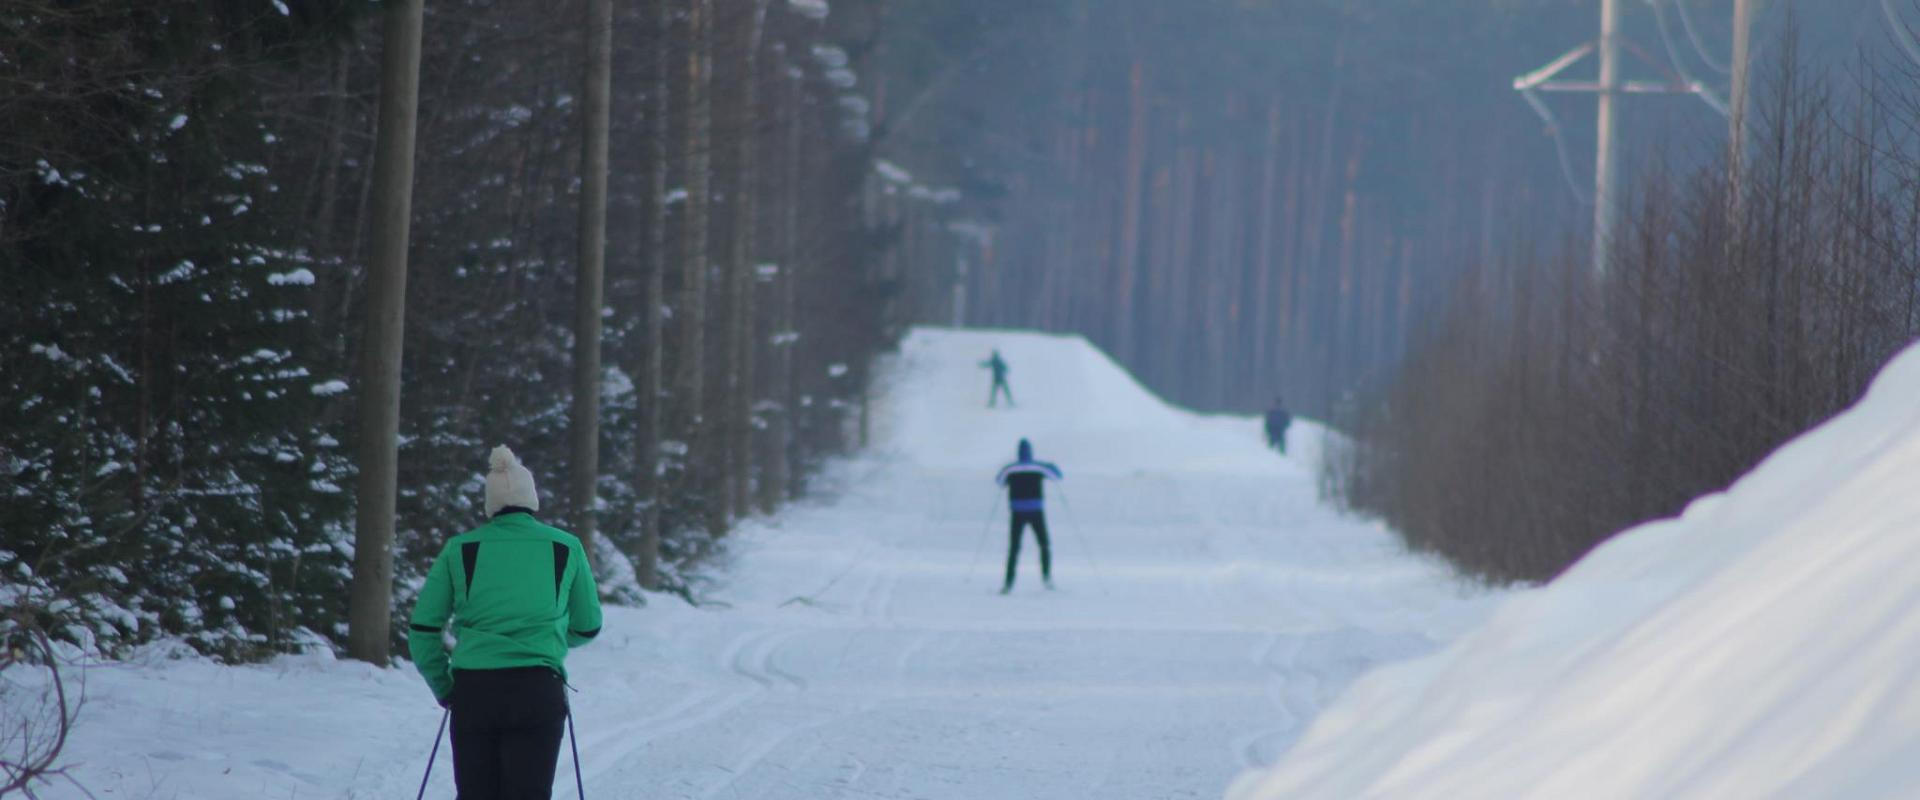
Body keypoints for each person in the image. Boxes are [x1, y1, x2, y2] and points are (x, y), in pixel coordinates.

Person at [409, 445, 602, 800]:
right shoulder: (565, 547)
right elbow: (588, 626)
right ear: (532, 499)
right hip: (537, 689)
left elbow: (423, 630)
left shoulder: (460, 549)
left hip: (474, 691)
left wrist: (445, 686)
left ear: (490, 504)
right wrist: (549, 637)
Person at [995, 438, 1062, 594]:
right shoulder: (1038, 467)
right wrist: (1051, 465)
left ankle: (1008, 583)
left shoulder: (1010, 469)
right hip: (1036, 510)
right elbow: (1057, 476)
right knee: (1044, 544)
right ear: (1030, 452)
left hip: (1017, 511)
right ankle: (1047, 578)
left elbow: (999, 482)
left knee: (1014, 548)